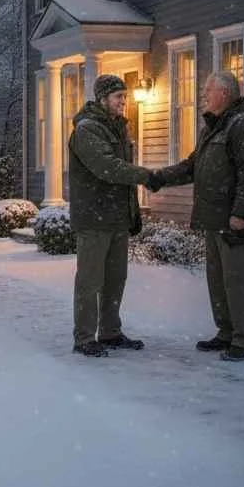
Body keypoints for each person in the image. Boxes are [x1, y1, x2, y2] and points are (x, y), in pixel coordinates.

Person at [153, 70, 244, 361]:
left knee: (236, 281)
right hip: (213, 219)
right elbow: (192, 166)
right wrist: (158, 177)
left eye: (208, 91)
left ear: (225, 94)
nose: (203, 95)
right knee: (217, 280)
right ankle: (226, 333)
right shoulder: (214, 128)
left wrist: (240, 214)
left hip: (232, 220)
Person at [68, 73, 155, 357]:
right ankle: (84, 338)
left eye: (125, 96)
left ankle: (109, 332)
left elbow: (120, 173)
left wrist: (131, 212)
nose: (124, 102)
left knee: (116, 279)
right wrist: (147, 176)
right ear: (103, 98)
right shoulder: (87, 129)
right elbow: (108, 168)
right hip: (94, 218)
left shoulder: (118, 127)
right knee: (90, 281)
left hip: (116, 217)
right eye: (119, 97)